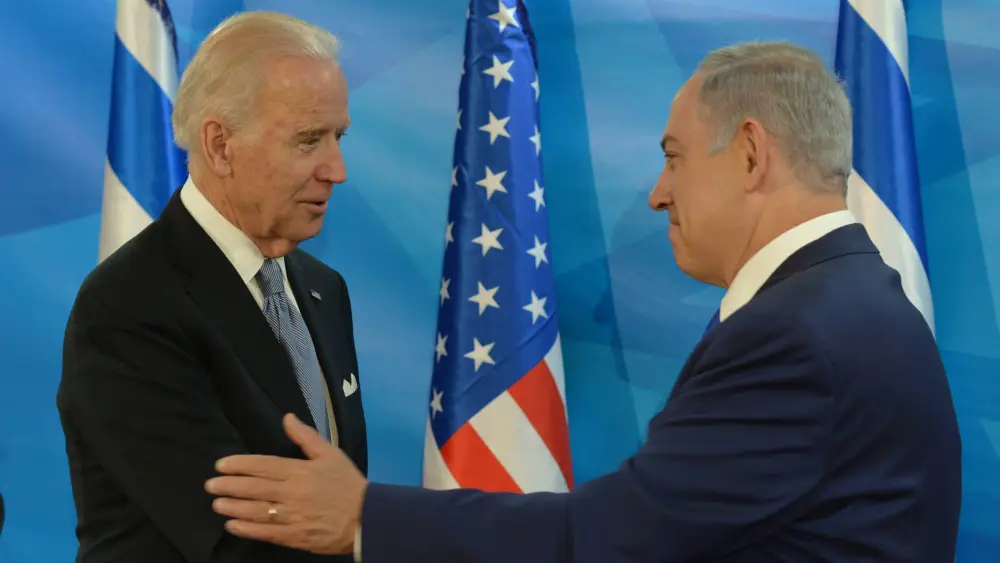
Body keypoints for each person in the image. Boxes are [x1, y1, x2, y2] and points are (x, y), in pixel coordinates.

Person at [204, 41, 963, 562]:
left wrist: (366, 515)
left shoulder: (797, 332)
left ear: (753, 153)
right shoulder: (856, 299)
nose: (660, 192)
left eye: (673, 157)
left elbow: (616, 537)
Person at [56, 11, 366, 563]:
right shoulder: (129, 307)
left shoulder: (324, 289)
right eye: (308, 140)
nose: (336, 169)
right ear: (220, 144)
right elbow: (232, 540)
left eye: (337, 136)